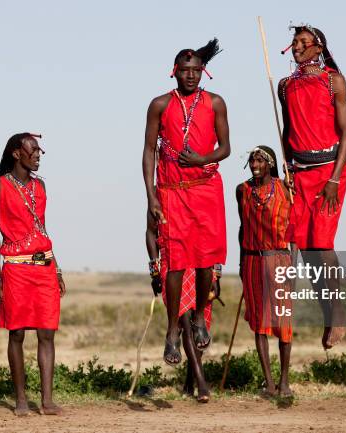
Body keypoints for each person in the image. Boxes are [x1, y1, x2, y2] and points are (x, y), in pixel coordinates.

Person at [142, 39, 230, 364]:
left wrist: (201, 159)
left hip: (206, 187)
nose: (191, 76)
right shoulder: (159, 105)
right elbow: (149, 150)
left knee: (207, 260)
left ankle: (199, 316)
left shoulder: (216, 102)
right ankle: (171, 331)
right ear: (175, 72)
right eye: (185, 71)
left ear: (202, 72)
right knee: (176, 262)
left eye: (196, 71)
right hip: (171, 190)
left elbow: (226, 148)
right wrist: (151, 195)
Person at [278, 23, 346, 349]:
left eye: (302, 42)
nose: (296, 47)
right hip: (298, 172)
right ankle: (312, 311)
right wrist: (285, 167)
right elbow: (287, 130)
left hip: (329, 171)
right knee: (301, 246)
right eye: (294, 42)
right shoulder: (284, 86)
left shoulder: (333, 82)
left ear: (318, 47)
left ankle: (336, 312)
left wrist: (334, 179)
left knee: (321, 245)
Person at [0, 133, 66, 416]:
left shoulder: (41, 186)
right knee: (17, 334)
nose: (38, 155)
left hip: (43, 267)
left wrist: (55, 267)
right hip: (16, 269)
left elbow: (42, 228)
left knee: (47, 334)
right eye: (32, 151)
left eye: (39, 151)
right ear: (16, 154)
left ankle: (46, 401)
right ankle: (20, 399)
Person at [237, 146, 294, 397]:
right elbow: (242, 228)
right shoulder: (243, 191)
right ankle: (269, 383)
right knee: (260, 323)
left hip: (280, 259)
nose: (254, 165)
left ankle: (284, 382)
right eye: (252, 160)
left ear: (270, 164)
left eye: (260, 160)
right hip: (252, 261)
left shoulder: (286, 188)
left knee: (283, 322)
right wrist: (240, 264)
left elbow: (295, 231)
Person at [145, 212, 217, 402]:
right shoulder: (158, 195)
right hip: (172, 264)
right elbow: (151, 233)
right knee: (184, 319)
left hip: (199, 261)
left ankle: (189, 381)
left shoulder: (195, 190)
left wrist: (215, 271)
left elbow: (211, 231)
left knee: (198, 326)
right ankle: (202, 384)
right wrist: (154, 271)